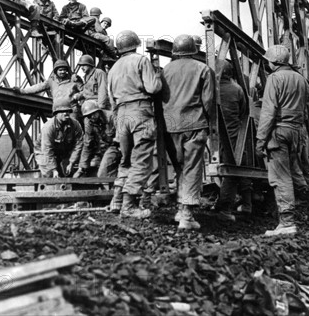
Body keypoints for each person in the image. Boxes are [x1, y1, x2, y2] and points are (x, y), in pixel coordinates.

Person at [161, 34, 215, 231]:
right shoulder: (203, 69)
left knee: (180, 168)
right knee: (192, 169)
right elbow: (208, 101)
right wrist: (210, 123)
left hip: (171, 126)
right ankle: (187, 215)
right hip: (194, 123)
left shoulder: (165, 70)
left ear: (175, 51)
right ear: (194, 50)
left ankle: (180, 207)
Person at [107, 30, 162, 218]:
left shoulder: (113, 68)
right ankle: (129, 206)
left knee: (126, 160)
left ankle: (116, 201)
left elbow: (110, 100)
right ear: (136, 44)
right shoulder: (141, 60)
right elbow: (153, 88)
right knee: (142, 160)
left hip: (121, 115)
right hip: (139, 110)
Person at [256, 44, 309, 237]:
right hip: (296, 131)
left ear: (273, 62)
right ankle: (294, 213)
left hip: (278, 131)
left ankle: (287, 222)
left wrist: (260, 140)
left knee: (281, 177)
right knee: (292, 173)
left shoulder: (274, 78)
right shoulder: (301, 79)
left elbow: (268, 112)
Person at [213, 61, 252, 221]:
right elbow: (244, 111)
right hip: (234, 135)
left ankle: (223, 205)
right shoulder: (237, 89)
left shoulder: (210, 89)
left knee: (225, 169)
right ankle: (240, 205)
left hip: (214, 136)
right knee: (237, 168)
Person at [40, 98, 84, 178]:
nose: (66, 113)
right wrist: (54, 170)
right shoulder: (48, 127)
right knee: (49, 175)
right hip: (44, 151)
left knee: (68, 173)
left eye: (68, 111)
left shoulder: (75, 125)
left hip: (63, 151)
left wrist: (71, 163)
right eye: (63, 111)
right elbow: (47, 150)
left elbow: (78, 145)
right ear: (56, 114)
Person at [73, 100, 111, 178]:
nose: (92, 117)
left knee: (104, 172)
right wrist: (81, 167)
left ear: (98, 111)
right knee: (92, 167)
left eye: (93, 114)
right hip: (101, 150)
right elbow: (88, 143)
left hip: (115, 148)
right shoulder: (88, 122)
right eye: (89, 116)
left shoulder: (110, 117)